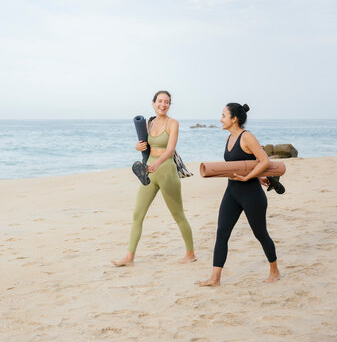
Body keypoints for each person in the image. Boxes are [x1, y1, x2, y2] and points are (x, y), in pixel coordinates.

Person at [198, 103, 280, 286]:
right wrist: (257, 176)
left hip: (251, 194)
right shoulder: (229, 138)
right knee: (222, 232)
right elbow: (245, 163)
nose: (220, 119)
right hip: (232, 192)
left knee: (260, 233)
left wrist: (250, 178)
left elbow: (264, 160)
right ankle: (215, 278)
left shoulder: (247, 137)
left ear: (234, 119)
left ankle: (274, 271)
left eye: (223, 115)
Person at [112, 91, 196, 266]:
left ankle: (190, 253)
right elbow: (144, 145)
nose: (163, 104)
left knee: (178, 214)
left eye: (166, 102)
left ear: (169, 105)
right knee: (138, 214)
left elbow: (170, 150)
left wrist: (157, 163)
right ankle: (129, 257)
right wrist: (138, 146)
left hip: (166, 171)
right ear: (153, 103)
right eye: (160, 101)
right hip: (148, 170)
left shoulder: (173, 124)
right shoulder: (149, 123)